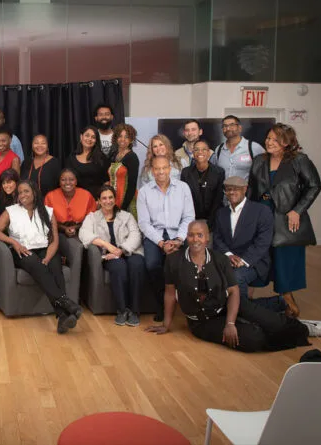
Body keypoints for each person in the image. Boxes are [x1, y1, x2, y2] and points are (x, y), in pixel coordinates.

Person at [146, 221, 310, 353]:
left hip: (229, 305)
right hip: (203, 322)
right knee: (254, 339)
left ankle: (306, 329)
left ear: (207, 239)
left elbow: (233, 291)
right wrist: (166, 324)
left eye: (200, 235)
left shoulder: (220, 259)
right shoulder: (174, 261)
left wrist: (230, 323)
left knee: (275, 322)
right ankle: (258, 327)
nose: (195, 239)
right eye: (191, 235)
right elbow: (169, 294)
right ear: (186, 237)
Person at [0, 181, 83, 334]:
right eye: (20, 192)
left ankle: (62, 315)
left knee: (55, 266)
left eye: (26, 191)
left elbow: (54, 241)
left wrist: (48, 256)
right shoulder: (11, 211)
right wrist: (14, 242)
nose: (22, 195)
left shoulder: (48, 212)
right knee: (34, 262)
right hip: (23, 250)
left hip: (46, 249)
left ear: (34, 192)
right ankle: (66, 302)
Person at [248, 123, 321, 318]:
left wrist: (297, 210)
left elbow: (314, 186)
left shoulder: (299, 160)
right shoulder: (258, 161)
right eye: (268, 138)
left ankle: (289, 301)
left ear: (287, 142)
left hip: (286, 219)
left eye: (274, 139)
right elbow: (250, 190)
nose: (269, 142)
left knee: (284, 261)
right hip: (260, 214)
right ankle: (244, 304)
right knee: (256, 257)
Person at [214, 176, 285, 312]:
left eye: (236, 189)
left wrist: (243, 260)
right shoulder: (221, 213)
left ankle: (241, 314)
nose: (232, 192)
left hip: (254, 262)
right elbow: (217, 239)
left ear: (245, 189)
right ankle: (274, 303)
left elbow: (263, 242)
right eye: (229, 189)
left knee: (235, 277)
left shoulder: (261, 211)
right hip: (228, 260)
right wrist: (228, 256)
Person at [138, 156, 195, 320]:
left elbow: (189, 217)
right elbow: (144, 223)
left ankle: (185, 306)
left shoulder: (183, 188)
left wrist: (179, 239)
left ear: (170, 169)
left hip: (178, 234)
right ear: (152, 171)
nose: (161, 172)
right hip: (154, 236)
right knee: (152, 265)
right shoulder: (144, 192)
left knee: (181, 268)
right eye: (157, 168)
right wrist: (161, 242)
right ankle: (162, 305)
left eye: (164, 168)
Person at [79, 184, 145, 327]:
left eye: (110, 197)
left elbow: (136, 235)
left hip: (130, 251)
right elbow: (84, 234)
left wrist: (121, 250)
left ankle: (134, 311)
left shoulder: (126, 216)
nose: (108, 201)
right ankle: (122, 310)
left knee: (137, 265)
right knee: (119, 267)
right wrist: (106, 245)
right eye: (104, 198)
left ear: (115, 199)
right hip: (109, 255)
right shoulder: (92, 217)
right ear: (98, 201)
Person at [180, 138, 225, 231]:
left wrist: (209, 224)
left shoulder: (219, 172)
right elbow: (184, 199)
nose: (200, 152)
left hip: (213, 220)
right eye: (196, 149)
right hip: (192, 219)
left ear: (209, 153)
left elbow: (218, 199)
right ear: (193, 153)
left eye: (204, 149)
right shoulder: (186, 172)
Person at [44, 169, 96, 239]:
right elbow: (47, 219)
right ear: (59, 182)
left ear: (76, 182)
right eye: (63, 180)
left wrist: (76, 227)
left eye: (71, 179)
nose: (67, 182)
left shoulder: (86, 195)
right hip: (58, 232)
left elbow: (92, 217)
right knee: (76, 248)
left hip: (84, 229)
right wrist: (64, 229)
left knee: (94, 248)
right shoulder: (50, 196)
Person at [212, 115, 264, 180]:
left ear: (240, 128)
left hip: (247, 189)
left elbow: (265, 170)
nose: (228, 128)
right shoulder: (219, 150)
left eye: (232, 125)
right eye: (225, 126)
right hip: (224, 190)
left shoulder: (254, 147)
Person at [65, 125, 110, 199]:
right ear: (81, 137)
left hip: (96, 201)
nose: (89, 139)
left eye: (93, 137)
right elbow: (67, 181)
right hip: (76, 199)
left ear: (96, 141)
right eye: (87, 135)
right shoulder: (71, 158)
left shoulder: (102, 158)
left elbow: (107, 182)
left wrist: (101, 199)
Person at [108, 123, 139, 216]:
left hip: (126, 200)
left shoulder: (132, 157)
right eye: (120, 136)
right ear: (116, 138)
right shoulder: (113, 154)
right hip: (113, 197)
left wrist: (123, 207)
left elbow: (132, 186)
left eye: (126, 137)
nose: (123, 139)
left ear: (131, 139)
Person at [0, 126, 20, 198]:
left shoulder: (14, 159)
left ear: (10, 140)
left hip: (4, 199)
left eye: (3, 141)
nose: (0, 144)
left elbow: (15, 184)